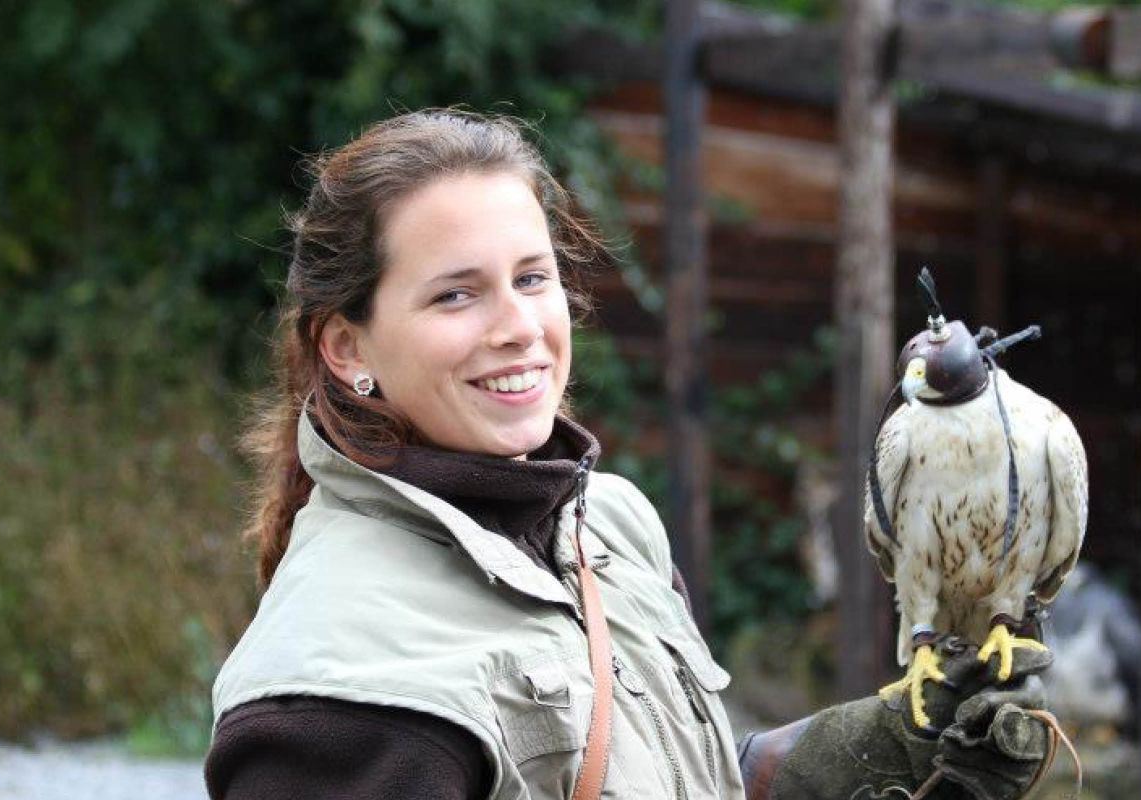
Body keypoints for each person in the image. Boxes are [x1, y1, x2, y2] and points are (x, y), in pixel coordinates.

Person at [204, 109, 1055, 800]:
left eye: (532, 279)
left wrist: (885, 756)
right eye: (455, 293)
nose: (518, 327)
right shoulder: (341, 691)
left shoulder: (604, 525)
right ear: (348, 349)